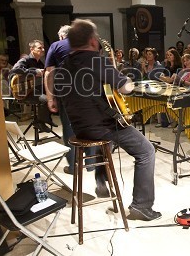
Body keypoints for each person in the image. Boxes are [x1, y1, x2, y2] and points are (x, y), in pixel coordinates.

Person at [54, 19, 160, 221]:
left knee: (108, 143)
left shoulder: (63, 66)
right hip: (102, 127)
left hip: (79, 130)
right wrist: (125, 79)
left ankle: (102, 181)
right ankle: (141, 205)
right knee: (146, 151)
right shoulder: (96, 60)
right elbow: (125, 88)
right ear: (93, 41)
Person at [44, 25, 77, 175]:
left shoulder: (56, 46)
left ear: (62, 36)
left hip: (67, 91)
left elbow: (49, 73)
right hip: (89, 90)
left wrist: (50, 98)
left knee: (69, 126)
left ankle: (72, 166)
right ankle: (91, 163)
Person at [9, 39, 55, 132]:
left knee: (53, 94)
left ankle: (46, 119)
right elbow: (15, 70)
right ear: (32, 49)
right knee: (46, 100)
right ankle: (40, 122)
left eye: (43, 48)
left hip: (32, 89)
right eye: (39, 48)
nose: (42, 50)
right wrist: (34, 72)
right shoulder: (25, 60)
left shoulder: (39, 62)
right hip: (23, 92)